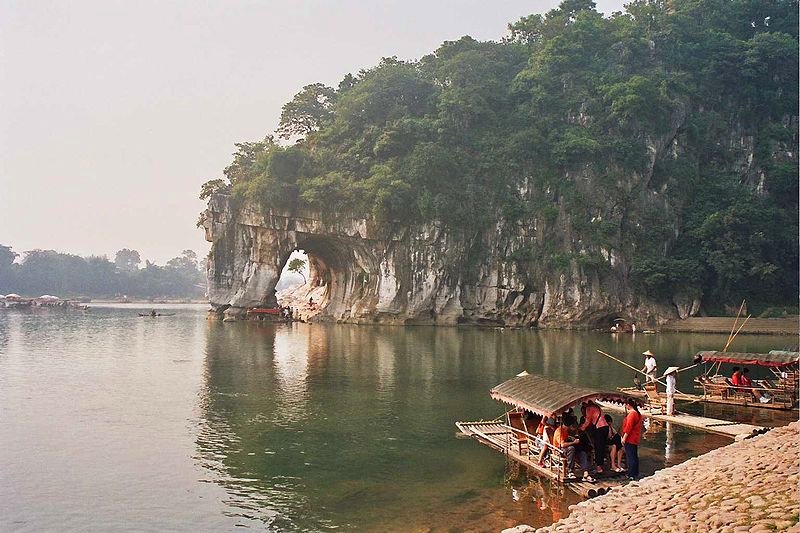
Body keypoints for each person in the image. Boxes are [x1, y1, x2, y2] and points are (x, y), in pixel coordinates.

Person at [579, 400, 608, 473]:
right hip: (605, 427)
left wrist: (581, 428)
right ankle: (601, 465)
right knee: (602, 447)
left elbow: (588, 420)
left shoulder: (589, 408)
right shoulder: (596, 407)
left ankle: (599, 467)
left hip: (599, 428)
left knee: (598, 447)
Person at [621, 398, 643, 480]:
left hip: (630, 438)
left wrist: (624, 438)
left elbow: (628, 427)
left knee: (630, 456)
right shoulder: (638, 413)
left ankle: (631, 474)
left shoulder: (632, 414)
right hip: (635, 437)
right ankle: (635, 472)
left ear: (628, 405)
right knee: (634, 456)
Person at [575, 416, 596, 482]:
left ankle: (588, 471)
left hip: (584, 447)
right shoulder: (575, 431)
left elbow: (589, 441)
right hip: (576, 448)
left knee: (588, 451)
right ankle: (586, 472)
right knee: (583, 453)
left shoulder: (586, 432)